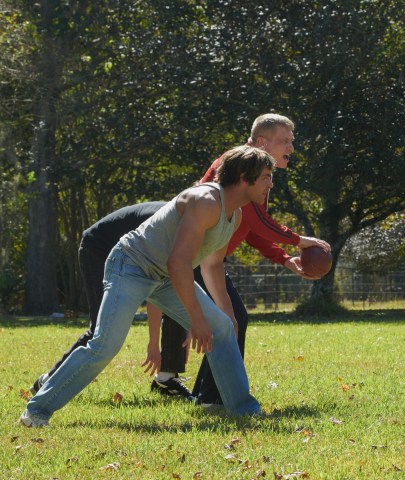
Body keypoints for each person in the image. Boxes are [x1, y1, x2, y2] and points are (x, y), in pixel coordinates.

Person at [19, 145, 273, 427]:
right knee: (105, 344)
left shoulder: (233, 214)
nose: (270, 184)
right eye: (265, 176)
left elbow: (211, 265)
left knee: (223, 329)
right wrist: (197, 319)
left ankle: (243, 410)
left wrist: (227, 315)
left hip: (163, 277)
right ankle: (37, 410)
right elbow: (179, 262)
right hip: (131, 266)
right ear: (242, 176)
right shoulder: (206, 201)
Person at [188, 113, 330, 405]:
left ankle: (207, 395)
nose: (290, 148)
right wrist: (299, 241)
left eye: (291, 141)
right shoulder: (240, 165)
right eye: (284, 141)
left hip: (207, 260)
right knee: (231, 319)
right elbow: (258, 220)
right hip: (190, 258)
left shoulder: (259, 171)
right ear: (262, 142)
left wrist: (285, 258)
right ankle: (212, 397)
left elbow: (251, 229)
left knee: (230, 319)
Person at [29, 202, 193, 399]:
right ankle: (47, 382)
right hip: (98, 248)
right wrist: (153, 344)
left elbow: (165, 288)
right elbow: (155, 292)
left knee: (177, 298)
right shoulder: (173, 224)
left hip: (126, 253)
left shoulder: (190, 222)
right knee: (102, 328)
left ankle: (166, 378)